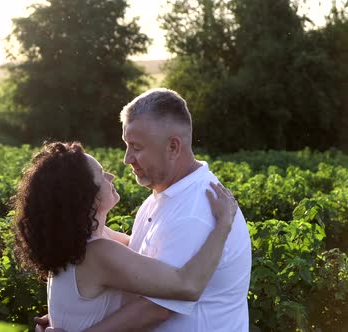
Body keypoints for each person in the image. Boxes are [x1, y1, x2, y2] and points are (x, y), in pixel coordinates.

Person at [73, 88, 252, 331]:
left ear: (173, 147)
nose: (127, 158)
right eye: (127, 145)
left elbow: (156, 309)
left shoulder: (197, 209)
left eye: (136, 147)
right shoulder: (161, 197)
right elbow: (134, 265)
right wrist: (69, 316)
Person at [13, 141, 239, 332]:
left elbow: (140, 249)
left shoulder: (78, 242)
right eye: (101, 175)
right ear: (83, 196)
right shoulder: (97, 253)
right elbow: (187, 286)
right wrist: (223, 225)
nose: (110, 176)